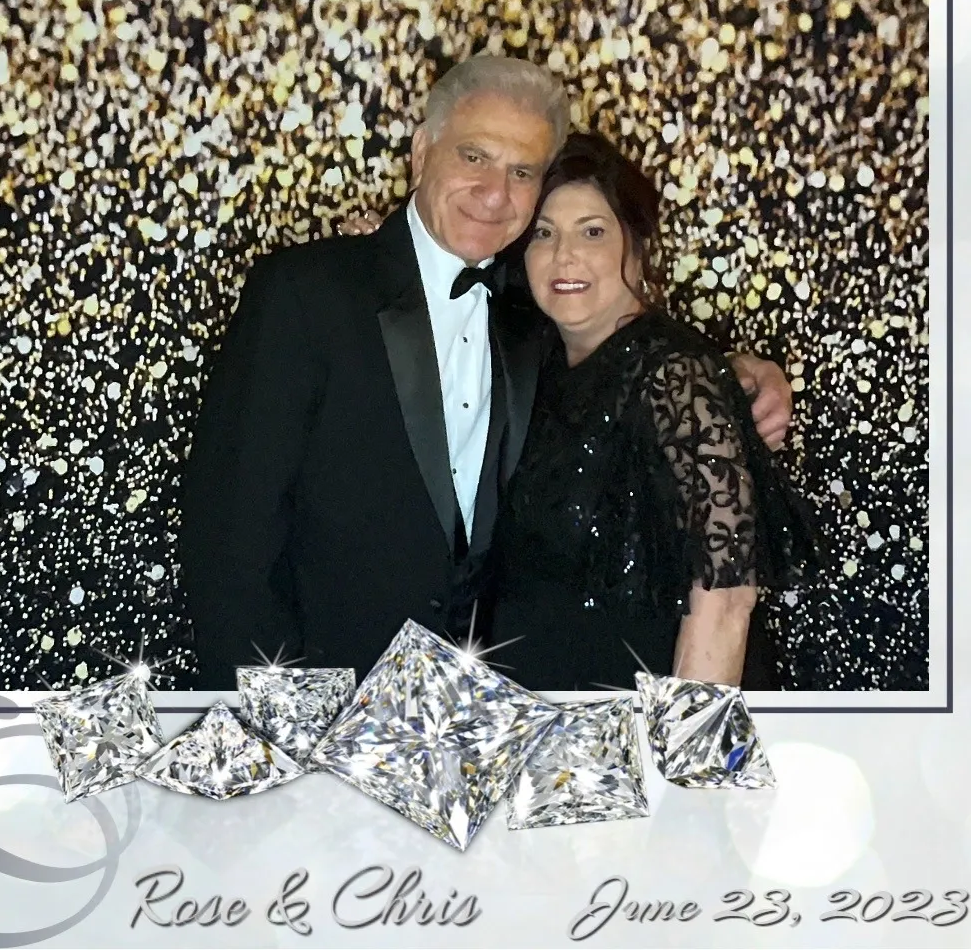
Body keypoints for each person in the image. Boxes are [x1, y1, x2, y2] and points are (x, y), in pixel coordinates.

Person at [177, 57, 794, 689]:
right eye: (474, 157)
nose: (495, 192)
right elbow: (230, 546)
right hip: (329, 713)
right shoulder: (306, 295)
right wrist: (274, 723)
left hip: (495, 726)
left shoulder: (532, 314)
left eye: (521, 171)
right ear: (422, 153)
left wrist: (732, 378)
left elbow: (639, 350)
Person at [488, 131, 817, 690]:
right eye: (544, 234)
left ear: (636, 247)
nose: (564, 256)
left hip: (639, 735)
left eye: (592, 231)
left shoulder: (676, 375)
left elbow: (727, 590)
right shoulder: (534, 358)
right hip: (550, 726)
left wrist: (684, 761)